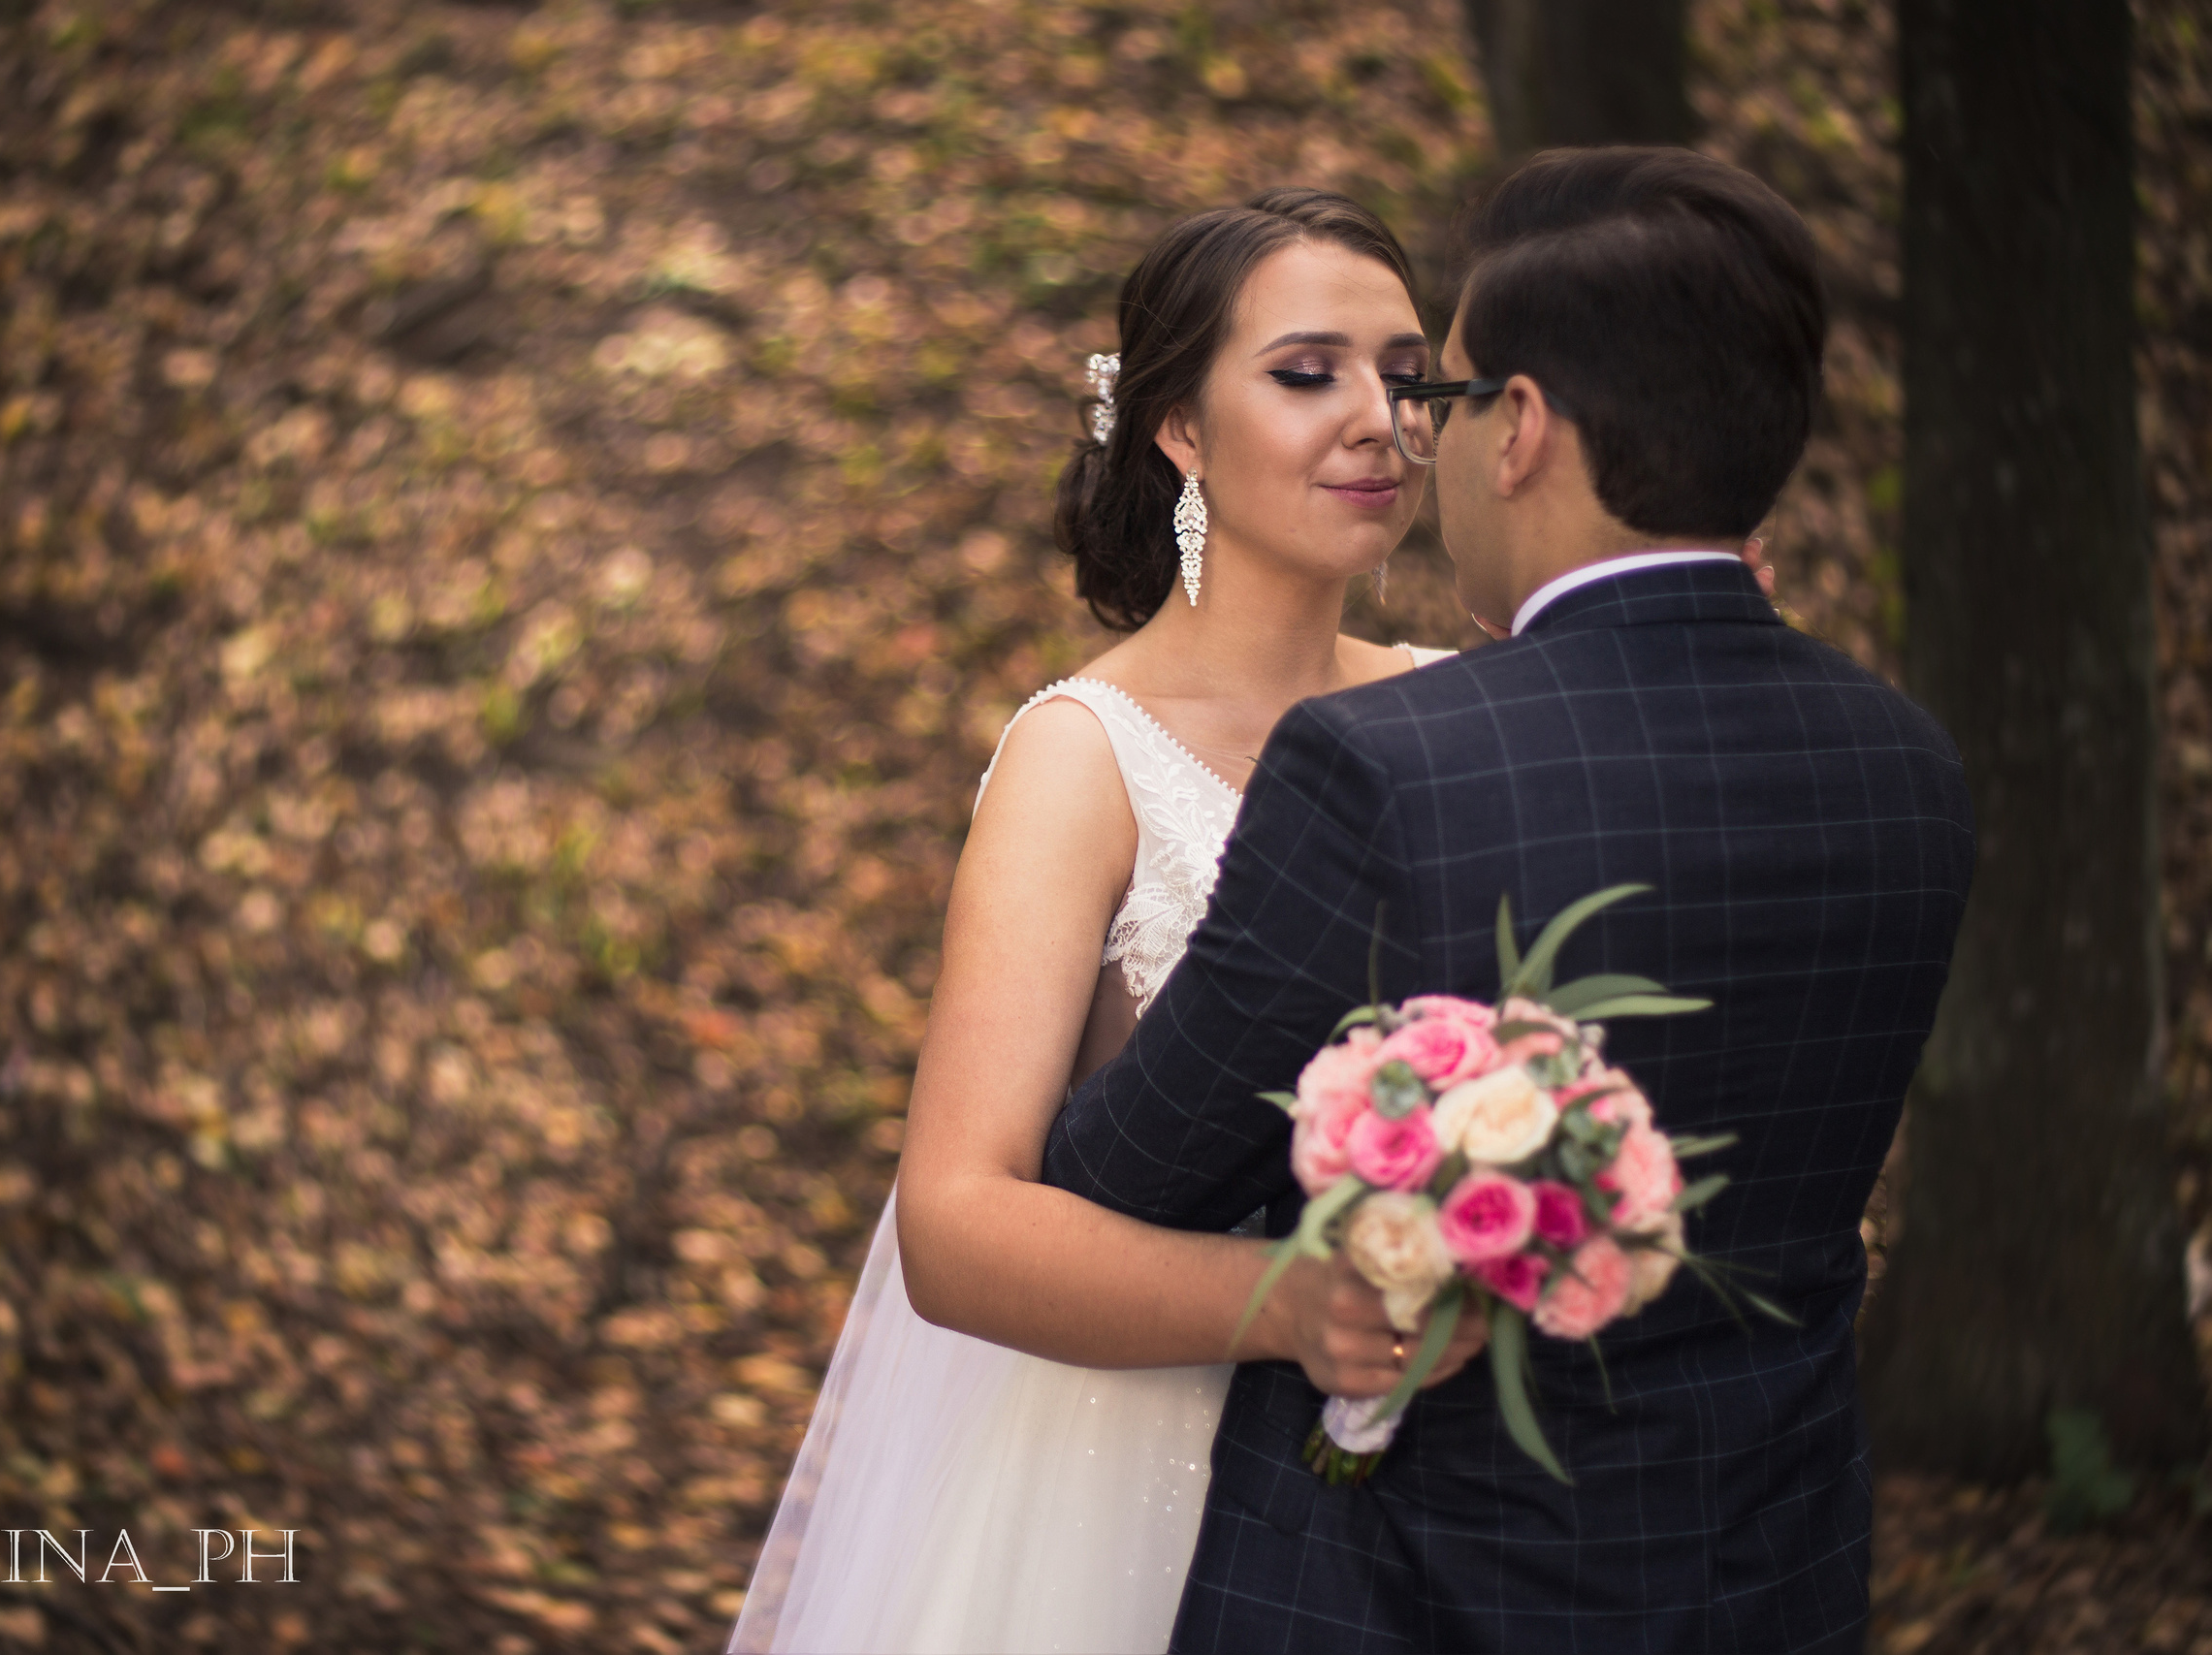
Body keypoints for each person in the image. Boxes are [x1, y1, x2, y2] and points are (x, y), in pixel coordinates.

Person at [1041, 145, 1975, 1653]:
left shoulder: (1388, 763)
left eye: (1444, 392)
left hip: (1420, 1596)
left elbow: (1120, 1176)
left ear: (1522, 428)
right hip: (1770, 1585)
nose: (1415, 438)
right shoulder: (1905, 766)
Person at [730, 188, 1488, 1655]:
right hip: (1123, 1490)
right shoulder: (1084, 757)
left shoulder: (1463, 709)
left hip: (1427, 1487)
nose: (1381, 422)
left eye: (1406, 376)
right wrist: (1285, 1303)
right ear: (1179, 431)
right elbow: (953, 1228)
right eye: (1304, 371)